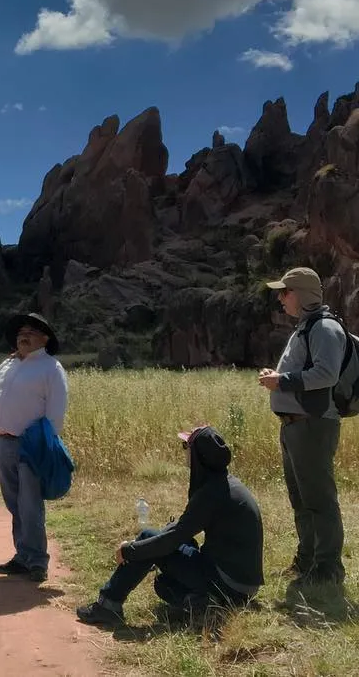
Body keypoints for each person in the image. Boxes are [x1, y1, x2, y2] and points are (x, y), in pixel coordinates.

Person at [76, 426, 264, 626]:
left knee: (148, 536)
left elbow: (172, 539)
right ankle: (204, 604)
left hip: (229, 584)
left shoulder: (211, 493)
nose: (185, 452)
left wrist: (130, 550)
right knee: (164, 584)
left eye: (186, 446)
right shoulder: (225, 484)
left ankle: (108, 606)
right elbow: (182, 529)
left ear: (200, 456)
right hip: (242, 585)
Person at [259, 266, 347, 585]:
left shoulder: (323, 328)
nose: (281, 298)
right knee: (301, 499)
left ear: (303, 294)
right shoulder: (306, 328)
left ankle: (328, 570)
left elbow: (327, 374)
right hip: (296, 427)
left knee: (319, 500)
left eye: (285, 291)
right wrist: (281, 378)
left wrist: (281, 381)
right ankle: (307, 561)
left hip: (313, 426)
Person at [0, 312, 68, 583]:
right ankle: (23, 555)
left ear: (45, 338)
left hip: (32, 443)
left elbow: (56, 412)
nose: (22, 336)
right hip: (3, 441)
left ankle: (38, 560)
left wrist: (45, 442)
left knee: (30, 503)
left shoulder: (51, 368)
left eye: (29, 331)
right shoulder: (7, 365)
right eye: (20, 333)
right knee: (14, 502)